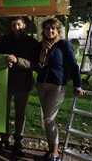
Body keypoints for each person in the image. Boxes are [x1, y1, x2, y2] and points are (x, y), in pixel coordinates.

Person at [34, 18, 85, 161]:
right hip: (42, 85)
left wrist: (78, 85)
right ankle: (50, 151)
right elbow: (37, 65)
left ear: (57, 31)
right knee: (47, 120)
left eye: (53, 29)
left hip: (57, 86)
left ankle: (55, 154)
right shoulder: (40, 45)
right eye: (47, 28)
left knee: (49, 119)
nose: (50, 31)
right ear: (43, 31)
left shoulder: (64, 45)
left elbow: (74, 66)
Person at [0, 17, 40, 154]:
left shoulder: (32, 42)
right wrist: (4, 61)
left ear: (24, 26)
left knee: (20, 114)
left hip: (23, 83)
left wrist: (17, 61)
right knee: (3, 113)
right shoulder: (4, 40)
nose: (16, 27)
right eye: (13, 24)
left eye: (18, 24)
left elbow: (35, 64)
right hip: (5, 82)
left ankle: (18, 140)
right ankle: (4, 138)